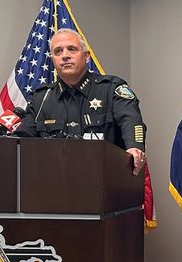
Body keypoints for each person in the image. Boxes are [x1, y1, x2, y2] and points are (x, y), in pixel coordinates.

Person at [14, 28, 147, 175]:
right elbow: (22, 138)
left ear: (87, 56)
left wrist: (135, 147)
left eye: (72, 49)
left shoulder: (111, 89)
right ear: (52, 60)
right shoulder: (41, 98)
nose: (65, 56)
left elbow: (131, 120)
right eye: (58, 51)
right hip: (54, 185)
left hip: (105, 182)